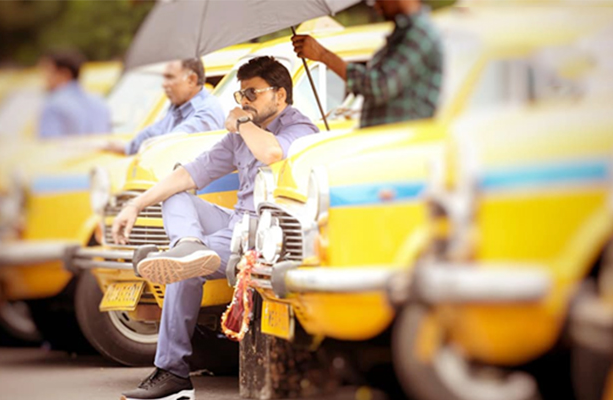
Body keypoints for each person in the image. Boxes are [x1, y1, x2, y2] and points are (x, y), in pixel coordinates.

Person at [112, 56, 318, 400]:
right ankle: (189, 244)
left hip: (264, 234)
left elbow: (271, 152)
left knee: (183, 271)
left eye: (251, 94)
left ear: (280, 96)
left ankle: (173, 374)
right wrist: (134, 205)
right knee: (177, 198)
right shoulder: (241, 134)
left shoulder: (300, 128)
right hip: (234, 222)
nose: (243, 102)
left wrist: (241, 122)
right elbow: (191, 173)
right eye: (240, 96)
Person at [292, 0, 443, 128]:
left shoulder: (418, 34)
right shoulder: (403, 34)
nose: (375, 5)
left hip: (402, 148)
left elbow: (379, 85)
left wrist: (323, 55)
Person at [105, 58, 225, 155]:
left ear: (191, 80)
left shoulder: (207, 111)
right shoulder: (178, 107)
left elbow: (171, 142)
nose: (164, 84)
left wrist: (139, 148)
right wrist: (127, 147)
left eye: (170, 77)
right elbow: (153, 132)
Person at [38, 50, 111, 138]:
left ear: (64, 74)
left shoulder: (53, 105)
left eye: (49, 72)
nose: (45, 79)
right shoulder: (99, 101)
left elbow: (48, 145)